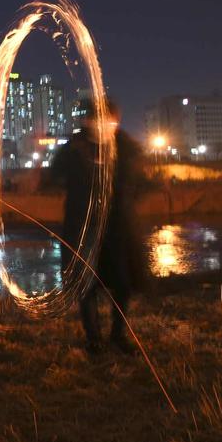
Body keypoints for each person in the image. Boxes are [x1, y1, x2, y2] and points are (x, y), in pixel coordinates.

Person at [49, 98, 149, 357]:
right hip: (84, 227)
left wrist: (129, 200)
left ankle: (118, 335)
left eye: (111, 121)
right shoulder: (74, 149)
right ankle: (94, 339)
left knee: (123, 283)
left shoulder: (126, 148)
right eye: (100, 120)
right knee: (87, 285)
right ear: (88, 121)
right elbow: (52, 177)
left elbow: (139, 181)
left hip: (117, 228)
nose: (106, 126)